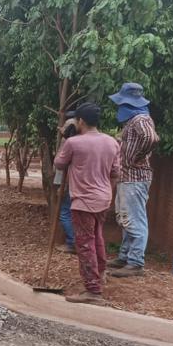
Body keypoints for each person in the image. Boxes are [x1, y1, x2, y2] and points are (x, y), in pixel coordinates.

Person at [53, 102, 120, 305]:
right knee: (97, 237)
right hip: (103, 199)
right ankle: (100, 273)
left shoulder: (74, 143)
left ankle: (93, 290)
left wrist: (66, 137)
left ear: (81, 120)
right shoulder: (112, 142)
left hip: (83, 201)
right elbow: (115, 173)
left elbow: (58, 163)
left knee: (84, 243)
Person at [107, 82, 159, 278]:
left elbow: (151, 138)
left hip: (135, 179)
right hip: (127, 177)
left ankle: (136, 262)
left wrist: (135, 156)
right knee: (126, 218)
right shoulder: (135, 120)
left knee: (134, 219)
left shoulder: (140, 119)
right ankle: (125, 257)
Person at [55, 110, 79, 254]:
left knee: (65, 212)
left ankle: (72, 242)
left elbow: (60, 163)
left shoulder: (70, 141)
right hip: (73, 183)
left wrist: (62, 186)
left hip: (69, 182)